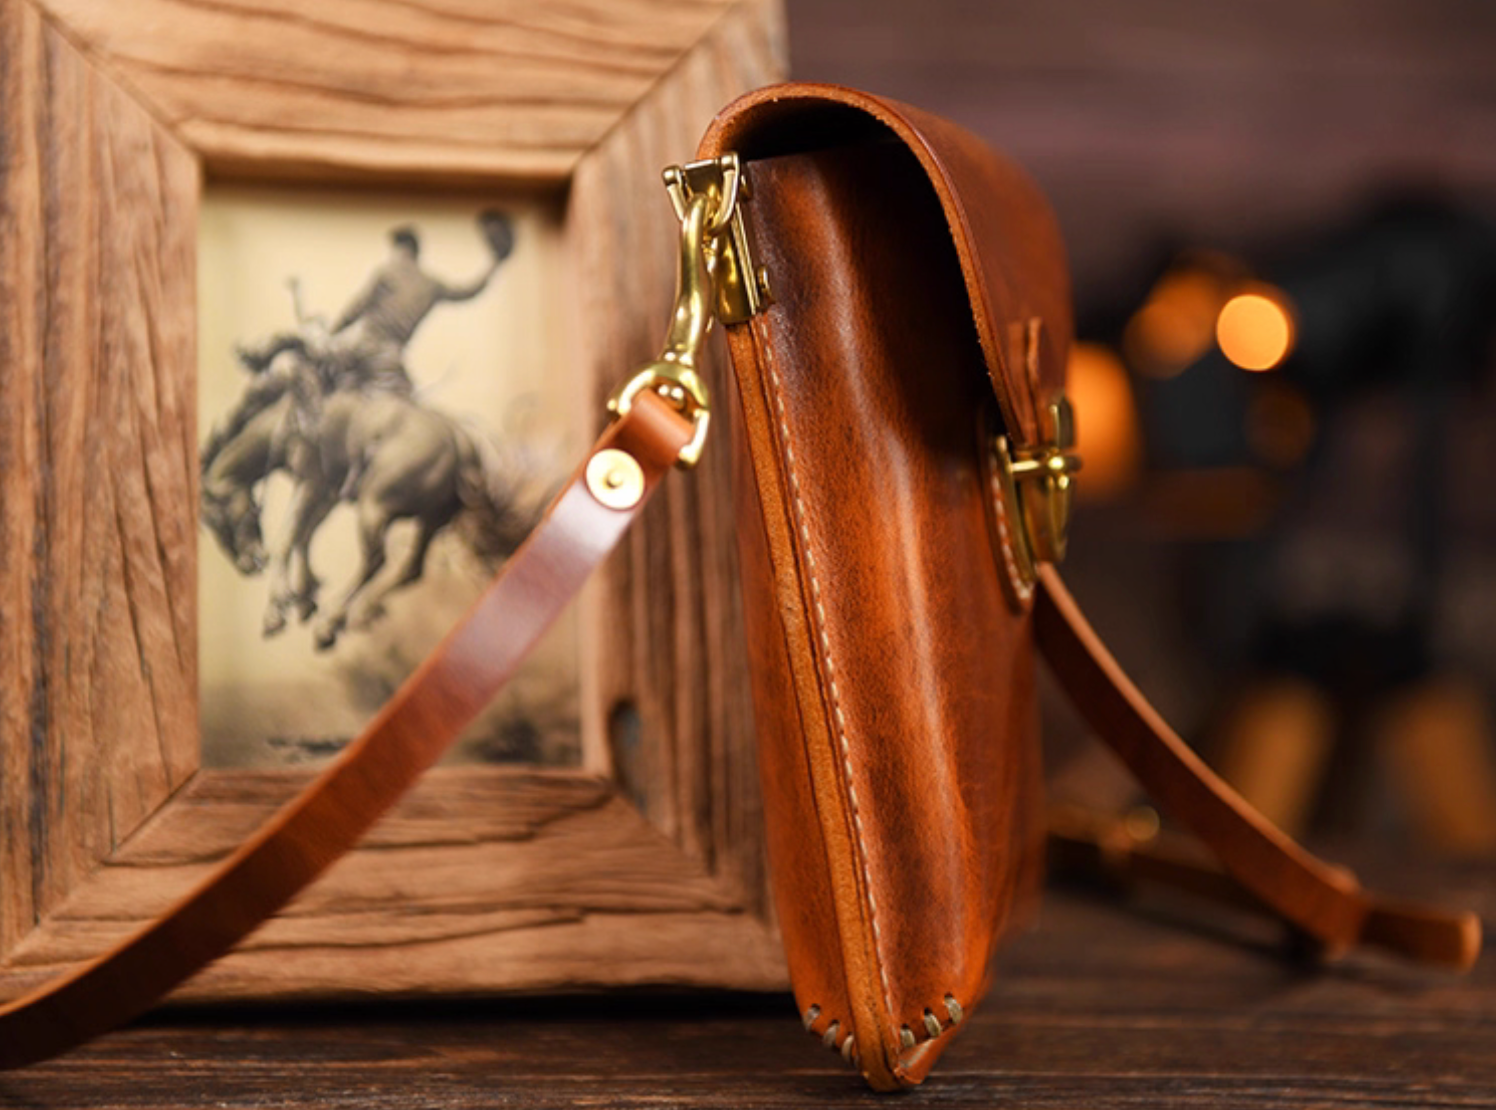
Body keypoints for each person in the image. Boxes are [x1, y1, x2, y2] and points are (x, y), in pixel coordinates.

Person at [201, 212, 514, 468]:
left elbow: (357, 306)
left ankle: (261, 362)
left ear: (402, 248)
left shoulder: (388, 270)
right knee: (400, 409)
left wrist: (332, 333)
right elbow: (468, 291)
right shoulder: (431, 284)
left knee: (298, 359)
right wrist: (494, 264)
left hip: (362, 344)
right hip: (389, 360)